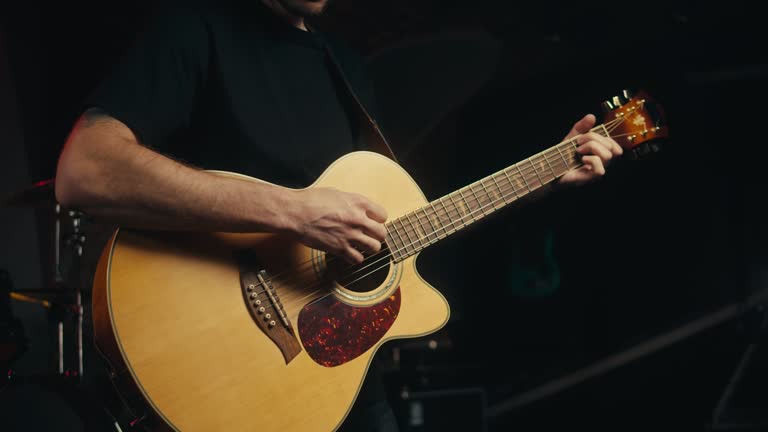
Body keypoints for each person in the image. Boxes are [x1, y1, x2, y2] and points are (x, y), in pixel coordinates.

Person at [53, 0, 623, 430]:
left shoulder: (344, 66)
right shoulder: (196, 28)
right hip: (227, 373)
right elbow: (85, 171)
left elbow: (392, 228)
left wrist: (543, 179)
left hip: (339, 388)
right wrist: (294, 213)